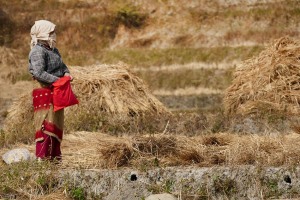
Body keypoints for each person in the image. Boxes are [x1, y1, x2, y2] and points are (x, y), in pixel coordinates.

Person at [28, 20, 73, 161]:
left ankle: (54, 157)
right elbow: (39, 73)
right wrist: (57, 80)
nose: (54, 35)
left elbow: (62, 66)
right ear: (43, 34)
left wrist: (66, 73)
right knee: (44, 123)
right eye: (51, 33)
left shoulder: (53, 50)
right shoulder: (37, 51)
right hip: (44, 90)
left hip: (56, 90)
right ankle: (42, 157)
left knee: (56, 122)